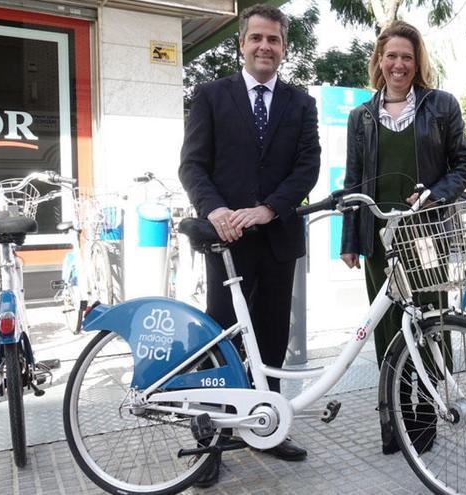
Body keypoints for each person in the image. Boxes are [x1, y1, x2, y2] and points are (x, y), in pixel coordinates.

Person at [179, 4, 321, 486]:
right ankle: (212, 441)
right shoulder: (210, 96)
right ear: (242, 44)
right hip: (227, 243)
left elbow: (307, 167)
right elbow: (192, 166)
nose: (265, 46)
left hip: (277, 238)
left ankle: (269, 427)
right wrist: (215, 210)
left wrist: (270, 208)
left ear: (284, 48)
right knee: (221, 342)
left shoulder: (301, 102)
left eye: (274, 40)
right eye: (256, 38)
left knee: (273, 341)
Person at [339, 20, 466, 455]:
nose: (399, 64)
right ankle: (395, 417)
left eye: (407, 56)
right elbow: (353, 180)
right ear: (379, 61)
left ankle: (427, 412)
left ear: (418, 63)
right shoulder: (360, 117)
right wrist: (349, 240)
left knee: (430, 322)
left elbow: (464, 164)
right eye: (391, 56)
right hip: (380, 236)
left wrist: (435, 194)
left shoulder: (441, 107)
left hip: (425, 235)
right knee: (384, 328)